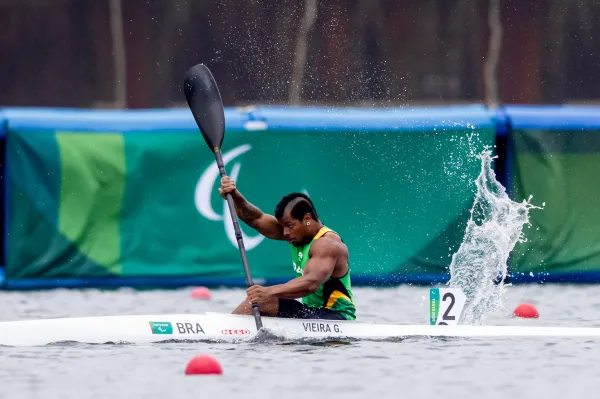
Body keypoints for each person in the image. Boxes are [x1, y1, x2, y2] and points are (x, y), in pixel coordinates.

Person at [219, 176, 356, 321]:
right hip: (312, 312)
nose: (284, 233)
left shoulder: (327, 244)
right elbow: (255, 219)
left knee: (261, 301)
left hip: (337, 317)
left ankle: (224, 330)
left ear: (307, 219)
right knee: (259, 304)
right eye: (283, 226)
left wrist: (269, 291)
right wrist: (234, 196)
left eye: (289, 226)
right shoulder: (297, 234)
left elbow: (311, 283)